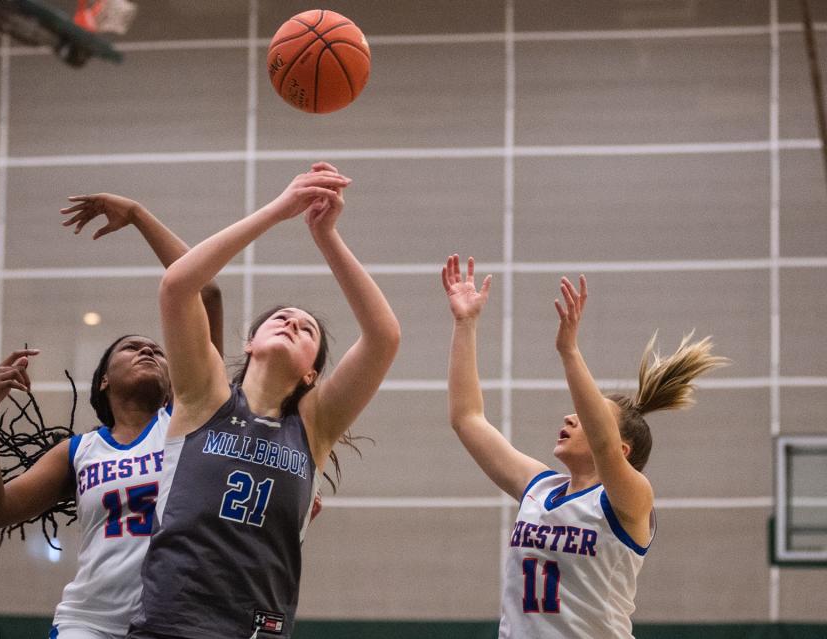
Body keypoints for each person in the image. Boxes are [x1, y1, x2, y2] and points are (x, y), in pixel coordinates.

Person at [128, 162, 401, 639]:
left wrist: (326, 237)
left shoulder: (314, 427)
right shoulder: (205, 396)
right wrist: (277, 211)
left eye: (307, 328)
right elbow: (177, 285)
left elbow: (384, 336)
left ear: (312, 371)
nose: (292, 322)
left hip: (257, 628)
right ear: (250, 343)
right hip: (171, 623)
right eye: (279, 318)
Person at [0, 195, 223, 639]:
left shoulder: (190, 419)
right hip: (88, 624)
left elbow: (205, 290)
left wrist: (140, 215)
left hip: (173, 623)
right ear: (103, 380)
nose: (149, 349)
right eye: (132, 347)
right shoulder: (80, 451)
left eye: (157, 350)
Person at [441, 255, 728, 639]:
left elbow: (605, 445)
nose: (571, 418)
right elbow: (467, 418)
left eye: (587, 416)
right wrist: (465, 324)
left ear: (624, 450)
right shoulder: (539, 488)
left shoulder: (630, 500)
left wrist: (569, 352)